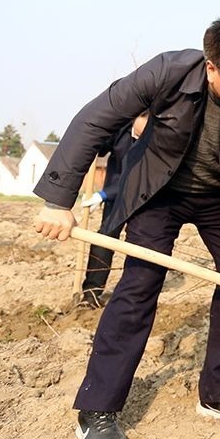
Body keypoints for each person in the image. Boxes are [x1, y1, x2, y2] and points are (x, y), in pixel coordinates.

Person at [33, 18, 220, 439]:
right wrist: (58, 199)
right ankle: (97, 409)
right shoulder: (166, 72)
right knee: (139, 286)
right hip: (157, 191)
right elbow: (95, 119)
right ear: (212, 68)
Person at [78, 112, 150, 308]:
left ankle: (133, 294)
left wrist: (104, 194)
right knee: (105, 238)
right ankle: (91, 293)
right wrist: (94, 138)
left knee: (141, 243)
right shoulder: (122, 129)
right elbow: (99, 147)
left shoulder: (156, 138)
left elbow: (138, 177)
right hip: (115, 197)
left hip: (144, 196)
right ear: (135, 119)